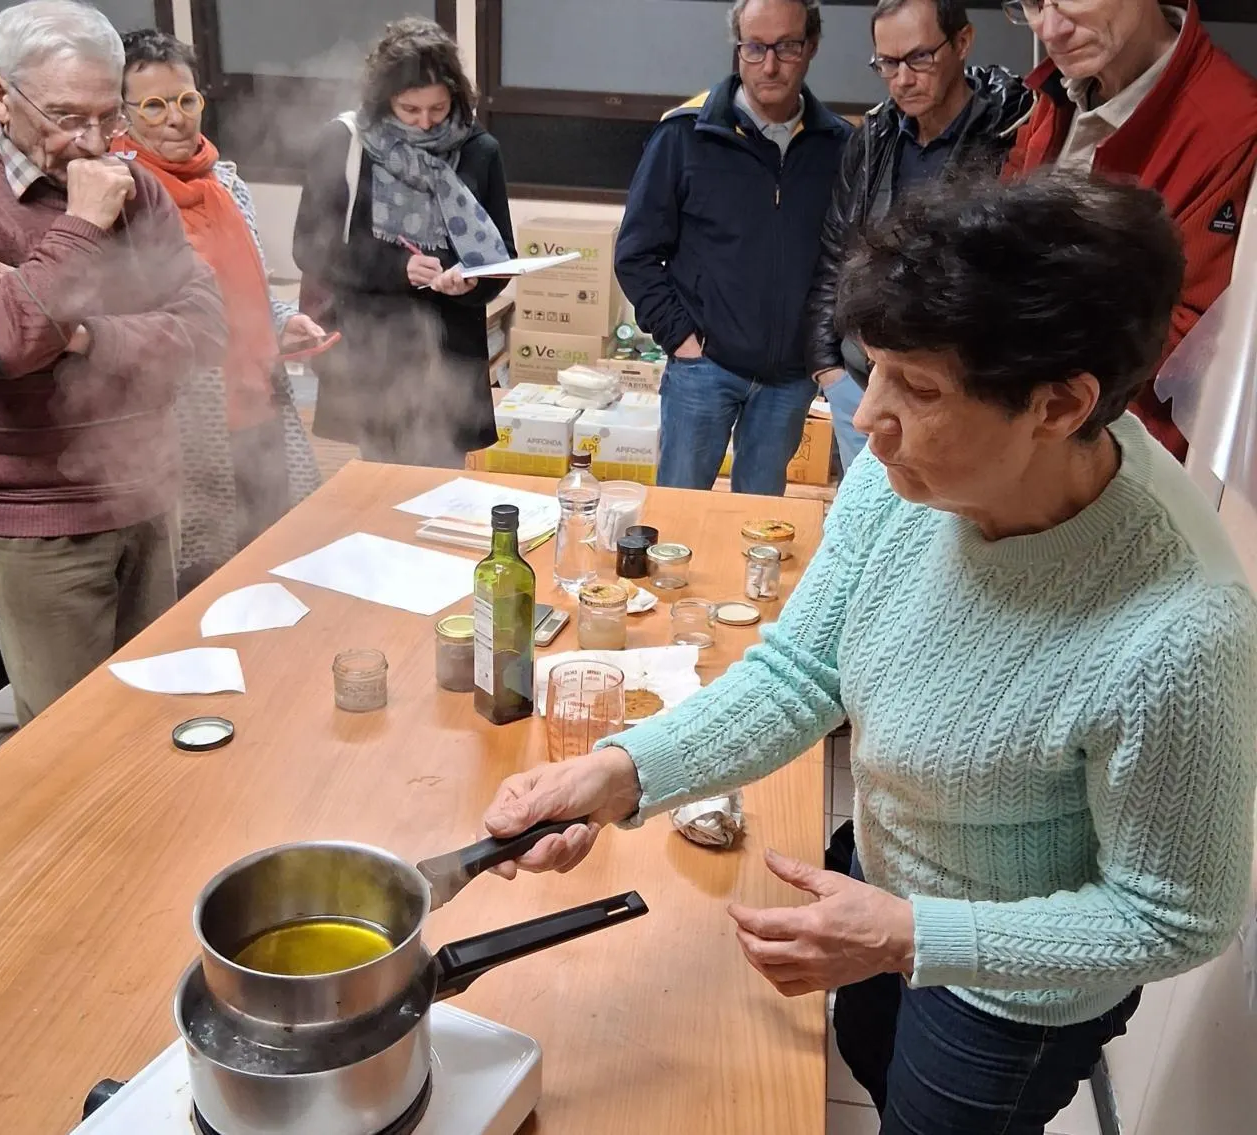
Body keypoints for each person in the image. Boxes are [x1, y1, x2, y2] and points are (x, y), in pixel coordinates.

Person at [479, 173, 1257, 1135]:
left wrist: (913, 934)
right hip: (881, 883)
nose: (865, 418)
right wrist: (621, 771)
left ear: (1060, 405)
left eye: (918, 388)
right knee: (866, 1058)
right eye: (874, 368)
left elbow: (1173, 914)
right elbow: (804, 671)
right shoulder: (913, 478)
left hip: (1013, 994)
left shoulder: (1179, 631)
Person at [0, 1, 225, 724]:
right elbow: (7, 344)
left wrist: (82, 333)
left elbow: (205, 329)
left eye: (105, 116)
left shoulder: (137, 187)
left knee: (153, 717)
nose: (91, 142)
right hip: (40, 518)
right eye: (64, 117)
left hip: (146, 492)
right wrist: (81, 223)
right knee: (69, 738)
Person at [1003, 0, 1257, 461]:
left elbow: (1187, 351)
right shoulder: (1057, 93)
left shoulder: (1230, 126)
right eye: (1033, 4)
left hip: (1114, 449)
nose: (1050, 29)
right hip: (1030, 415)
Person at [615, 0, 851, 496]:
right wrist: (682, 340)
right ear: (738, 48)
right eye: (755, 48)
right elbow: (635, 254)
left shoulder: (838, 145)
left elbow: (846, 258)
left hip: (790, 379)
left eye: (787, 47)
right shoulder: (685, 135)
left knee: (761, 522)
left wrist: (821, 350)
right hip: (704, 369)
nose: (770, 65)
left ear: (811, 47)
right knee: (679, 511)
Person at [118, 29, 322, 594]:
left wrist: (281, 321)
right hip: (186, 424)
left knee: (276, 561)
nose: (175, 118)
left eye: (186, 100)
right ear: (121, 114)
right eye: (154, 105)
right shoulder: (122, 198)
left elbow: (249, 286)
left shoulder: (226, 183)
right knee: (204, 581)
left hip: (261, 403)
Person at [806, 0, 1029, 469]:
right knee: (865, 509)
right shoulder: (872, 139)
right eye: (887, 63)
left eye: (919, 58)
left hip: (952, 393)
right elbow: (836, 254)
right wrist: (827, 365)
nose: (903, 79)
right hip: (860, 383)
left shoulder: (1011, 134)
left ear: (962, 42)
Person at [292, 16, 514, 468]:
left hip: (451, 354)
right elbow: (310, 248)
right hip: (374, 350)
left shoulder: (478, 149)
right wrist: (398, 268)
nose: (425, 122)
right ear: (383, 98)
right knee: (383, 483)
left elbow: (501, 257)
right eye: (409, 109)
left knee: (444, 487)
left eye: (438, 108)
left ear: (455, 97)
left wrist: (472, 280)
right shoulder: (346, 143)